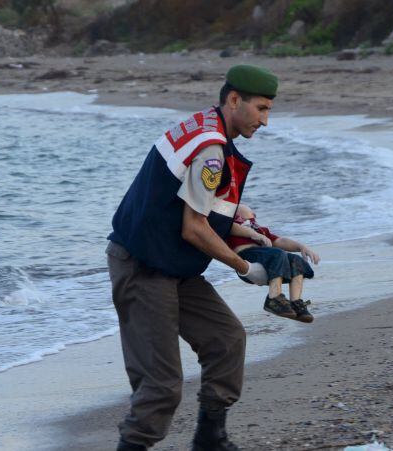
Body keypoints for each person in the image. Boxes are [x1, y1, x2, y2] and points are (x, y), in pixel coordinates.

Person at [106, 64, 278, 451]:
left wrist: (250, 227)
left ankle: (209, 439)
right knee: (162, 386)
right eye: (261, 109)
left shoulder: (205, 125)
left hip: (173, 265)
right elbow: (194, 228)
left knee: (226, 340)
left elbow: (197, 200)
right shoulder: (213, 150)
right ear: (234, 100)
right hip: (143, 267)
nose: (266, 121)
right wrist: (245, 267)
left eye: (269, 110)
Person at [226, 204, 319, 323]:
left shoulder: (261, 230)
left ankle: (296, 303)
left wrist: (301, 247)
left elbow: (281, 241)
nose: (252, 214)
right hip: (247, 257)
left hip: (268, 260)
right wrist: (252, 234)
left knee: (296, 260)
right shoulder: (232, 226)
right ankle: (274, 298)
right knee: (277, 253)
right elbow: (230, 226)